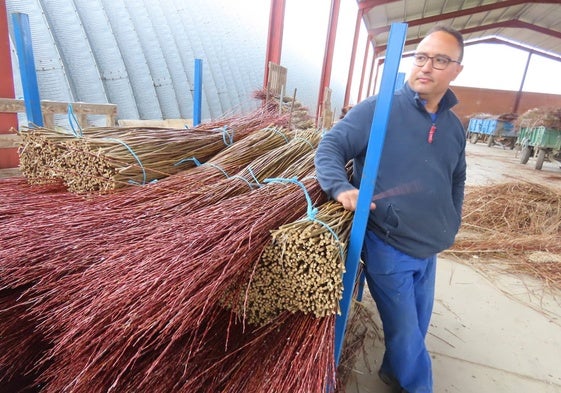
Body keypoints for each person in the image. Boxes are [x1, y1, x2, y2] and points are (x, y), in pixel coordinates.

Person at [315, 25, 466, 393]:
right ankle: (418, 386)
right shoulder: (379, 109)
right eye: (421, 57)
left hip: (429, 245)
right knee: (406, 333)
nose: (426, 67)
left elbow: (456, 178)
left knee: (416, 323)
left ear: (456, 70)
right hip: (388, 243)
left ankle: (392, 374)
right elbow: (330, 147)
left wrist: (452, 220)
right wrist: (341, 188)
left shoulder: (453, 127)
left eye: (440, 60)